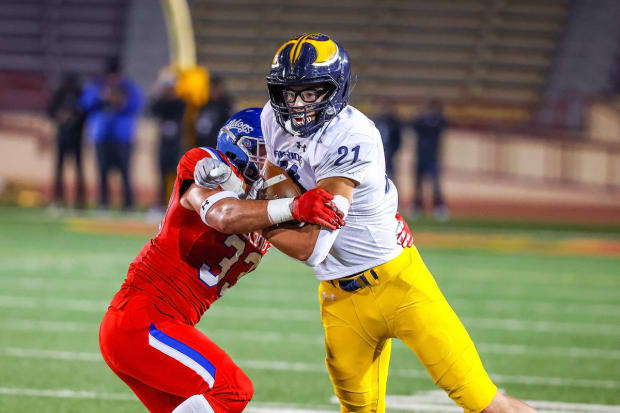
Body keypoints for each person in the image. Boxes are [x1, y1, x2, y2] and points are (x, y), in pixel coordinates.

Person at [260, 33, 536, 413]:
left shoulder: (352, 135)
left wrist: (255, 218)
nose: (297, 106)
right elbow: (275, 169)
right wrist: (278, 193)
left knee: (482, 401)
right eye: (289, 94)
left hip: (398, 284)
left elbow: (313, 247)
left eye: (310, 93)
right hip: (338, 297)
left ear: (336, 89)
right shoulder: (270, 119)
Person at [98, 108, 347, 413]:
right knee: (233, 390)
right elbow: (224, 216)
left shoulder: (264, 201)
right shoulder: (205, 165)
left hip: (163, 326)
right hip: (143, 320)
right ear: (240, 146)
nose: (277, 162)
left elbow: (313, 244)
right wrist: (293, 206)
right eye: (266, 151)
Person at [80, 56, 143, 210]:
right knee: (102, 172)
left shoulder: (129, 88)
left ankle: (128, 204)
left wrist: (121, 102)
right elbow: (84, 104)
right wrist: (101, 97)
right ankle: (103, 203)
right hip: (101, 135)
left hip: (122, 136)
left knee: (125, 172)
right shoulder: (97, 86)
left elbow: (138, 105)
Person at [46, 72, 86, 208]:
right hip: (63, 136)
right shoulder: (60, 94)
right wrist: (60, 115)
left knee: (78, 169)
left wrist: (75, 117)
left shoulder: (81, 95)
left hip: (76, 137)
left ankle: (79, 200)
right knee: (60, 169)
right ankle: (58, 199)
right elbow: (50, 112)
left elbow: (86, 112)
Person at [149, 71, 186, 209]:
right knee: (161, 173)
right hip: (164, 144)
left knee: (176, 174)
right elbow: (152, 108)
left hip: (176, 144)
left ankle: (176, 203)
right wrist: (158, 91)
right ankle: (161, 203)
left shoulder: (179, 103)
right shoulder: (162, 103)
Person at [412, 98, 449, 220]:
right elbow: (414, 125)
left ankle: (439, 207)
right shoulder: (421, 121)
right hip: (421, 156)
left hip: (433, 158)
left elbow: (442, 125)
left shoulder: (439, 121)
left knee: (435, 185)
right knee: (418, 184)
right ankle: (417, 206)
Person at [195, 75, 233, 149]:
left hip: (219, 146)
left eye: (216, 87)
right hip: (205, 144)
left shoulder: (226, 105)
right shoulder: (205, 105)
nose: (213, 90)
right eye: (211, 87)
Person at [372, 96, 402, 181]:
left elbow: (398, 138)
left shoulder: (395, 122)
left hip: (390, 151)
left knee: (390, 173)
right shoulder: (377, 120)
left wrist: (394, 149)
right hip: (377, 151)